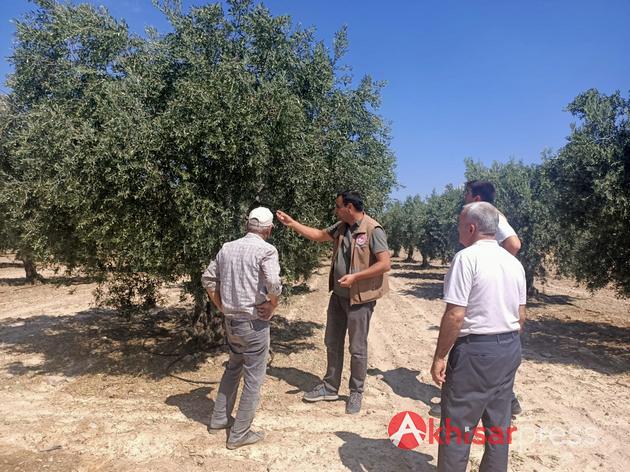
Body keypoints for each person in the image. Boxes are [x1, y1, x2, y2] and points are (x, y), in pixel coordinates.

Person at [276, 191, 391, 414]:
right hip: (338, 297)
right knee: (332, 341)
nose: (335, 210)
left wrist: (356, 277)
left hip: (360, 300)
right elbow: (319, 235)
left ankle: (356, 392)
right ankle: (330, 387)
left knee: (357, 347)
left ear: (349, 207)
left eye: (338, 206)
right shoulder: (342, 227)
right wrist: (292, 223)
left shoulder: (372, 229)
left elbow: (385, 264)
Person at [431, 202, 526, 472]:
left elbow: (455, 315)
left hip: (475, 352)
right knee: (498, 427)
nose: (458, 230)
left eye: (460, 225)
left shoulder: (466, 258)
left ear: (471, 228)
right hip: (509, 348)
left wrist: (440, 356)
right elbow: (521, 316)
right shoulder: (513, 263)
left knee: (457, 429)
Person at [201, 207, 282, 450]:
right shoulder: (267, 250)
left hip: (231, 322)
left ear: (248, 225)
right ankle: (239, 434)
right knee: (253, 379)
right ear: (269, 229)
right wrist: (272, 305)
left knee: (233, 367)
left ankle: (219, 419)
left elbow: (207, 278)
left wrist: (222, 306)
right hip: (254, 324)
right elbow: (274, 283)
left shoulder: (228, 247)